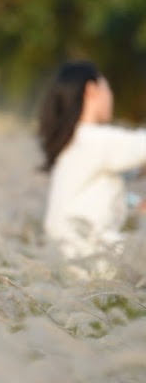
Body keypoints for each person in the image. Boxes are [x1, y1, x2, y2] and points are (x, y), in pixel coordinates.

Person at [37, 61, 146, 267]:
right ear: (92, 90)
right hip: (96, 265)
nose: (111, 96)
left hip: (71, 262)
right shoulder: (94, 139)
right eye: (108, 88)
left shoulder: (74, 142)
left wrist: (134, 202)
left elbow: (97, 189)